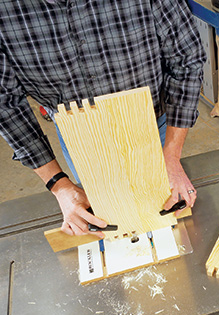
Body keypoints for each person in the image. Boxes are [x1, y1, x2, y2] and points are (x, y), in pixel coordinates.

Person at [0, 0, 206, 238]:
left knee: (164, 218)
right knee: (111, 225)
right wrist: (60, 186)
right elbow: (5, 104)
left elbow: (187, 58)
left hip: (152, 123)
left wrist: (171, 154)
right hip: (81, 137)